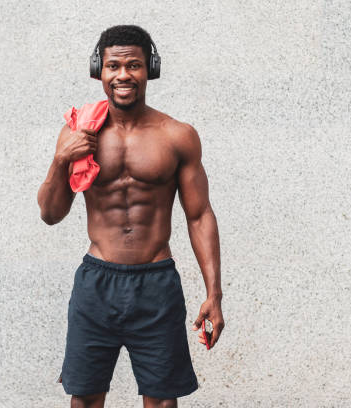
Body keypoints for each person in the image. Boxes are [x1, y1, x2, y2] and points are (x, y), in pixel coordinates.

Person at [36, 25, 224, 408]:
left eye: (134, 65)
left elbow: (199, 215)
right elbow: (50, 214)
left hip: (156, 283)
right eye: (114, 65)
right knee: (85, 398)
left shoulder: (176, 135)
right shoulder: (78, 133)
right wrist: (60, 160)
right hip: (96, 283)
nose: (123, 75)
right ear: (99, 71)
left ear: (149, 69)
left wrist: (214, 294)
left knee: (161, 401)